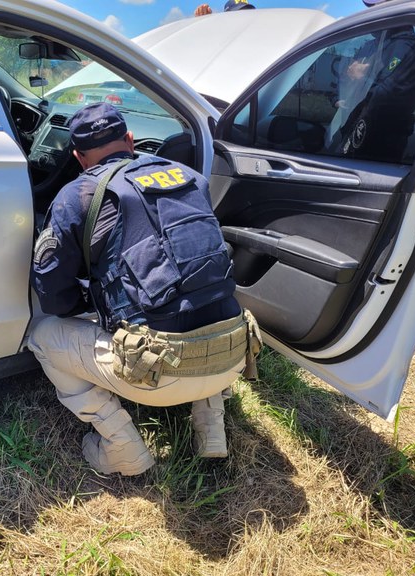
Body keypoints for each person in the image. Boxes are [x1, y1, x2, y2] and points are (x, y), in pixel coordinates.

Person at [28, 103, 261, 476]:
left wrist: (95, 301)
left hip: (156, 377)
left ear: (78, 157)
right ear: (130, 140)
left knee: (42, 336)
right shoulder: (190, 178)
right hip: (233, 356)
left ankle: (123, 448)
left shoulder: (79, 195)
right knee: (197, 291)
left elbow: (54, 295)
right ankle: (211, 428)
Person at [331, 0, 415, 162]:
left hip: (383, 136)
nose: (375, 9)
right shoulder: (374, 44)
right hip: (355, 124)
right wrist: (339, 98)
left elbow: (387, 94)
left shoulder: (407, 47)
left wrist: (361, 78)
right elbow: (346, 75)